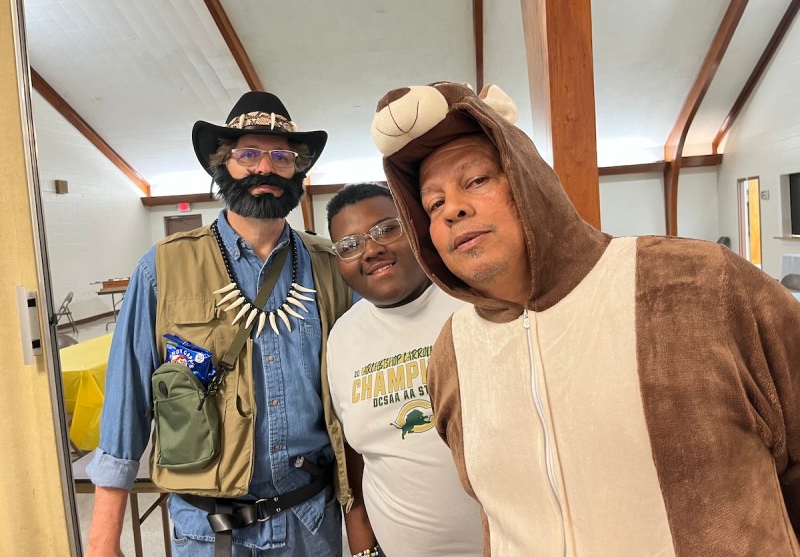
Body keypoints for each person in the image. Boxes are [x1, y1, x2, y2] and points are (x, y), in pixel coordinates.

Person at [370, 81, 800, 555]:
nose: (453, 208)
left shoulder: (699, 283)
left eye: (476, 181)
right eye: (433, 204)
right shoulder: (452, 353)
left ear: (529, 178)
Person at [86, 91, 353, 556]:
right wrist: (103, 539)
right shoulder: (161, 268)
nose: (265, 168)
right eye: (248, 154)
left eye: (282, 156)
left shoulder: (330, 268)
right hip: (205, 531)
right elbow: (127, 400)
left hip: (309, 522)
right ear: (222, 164)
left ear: (298, 170)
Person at [324, 183, 483, 557]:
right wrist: (363, 551)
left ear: (414, 227)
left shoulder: (473, 300)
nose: (371, 250)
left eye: (386, 229)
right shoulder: (342, 337)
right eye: (349, 245)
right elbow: (355, 457)